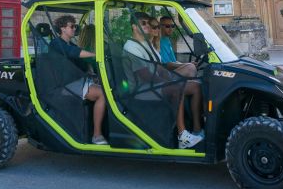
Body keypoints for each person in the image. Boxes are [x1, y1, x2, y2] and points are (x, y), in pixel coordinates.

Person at [124, 14, 203, 149]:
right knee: (177, 87)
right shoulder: (131, 47)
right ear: (134, 27)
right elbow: (145, 75)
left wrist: (171, 78)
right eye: (143, 24)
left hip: (153, 85)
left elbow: (160, 68)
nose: (148, 26)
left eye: (148, 23)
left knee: (196, 87)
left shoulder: (146, 44)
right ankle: (182, 135)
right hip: (141, 89)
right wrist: (171, 82)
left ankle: (197, 130)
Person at [48, 14, 108, 146]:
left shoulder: (71, 43)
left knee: (109, 87)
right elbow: (74, 53)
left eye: (75, 26)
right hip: (64, 85)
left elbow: (82, 62)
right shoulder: (56, 44)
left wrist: (94, 73)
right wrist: (97, 55)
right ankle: (97, 135)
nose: (74, 29)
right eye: (72, 26)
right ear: (63, 29)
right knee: (102, 94)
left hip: (77, 81)